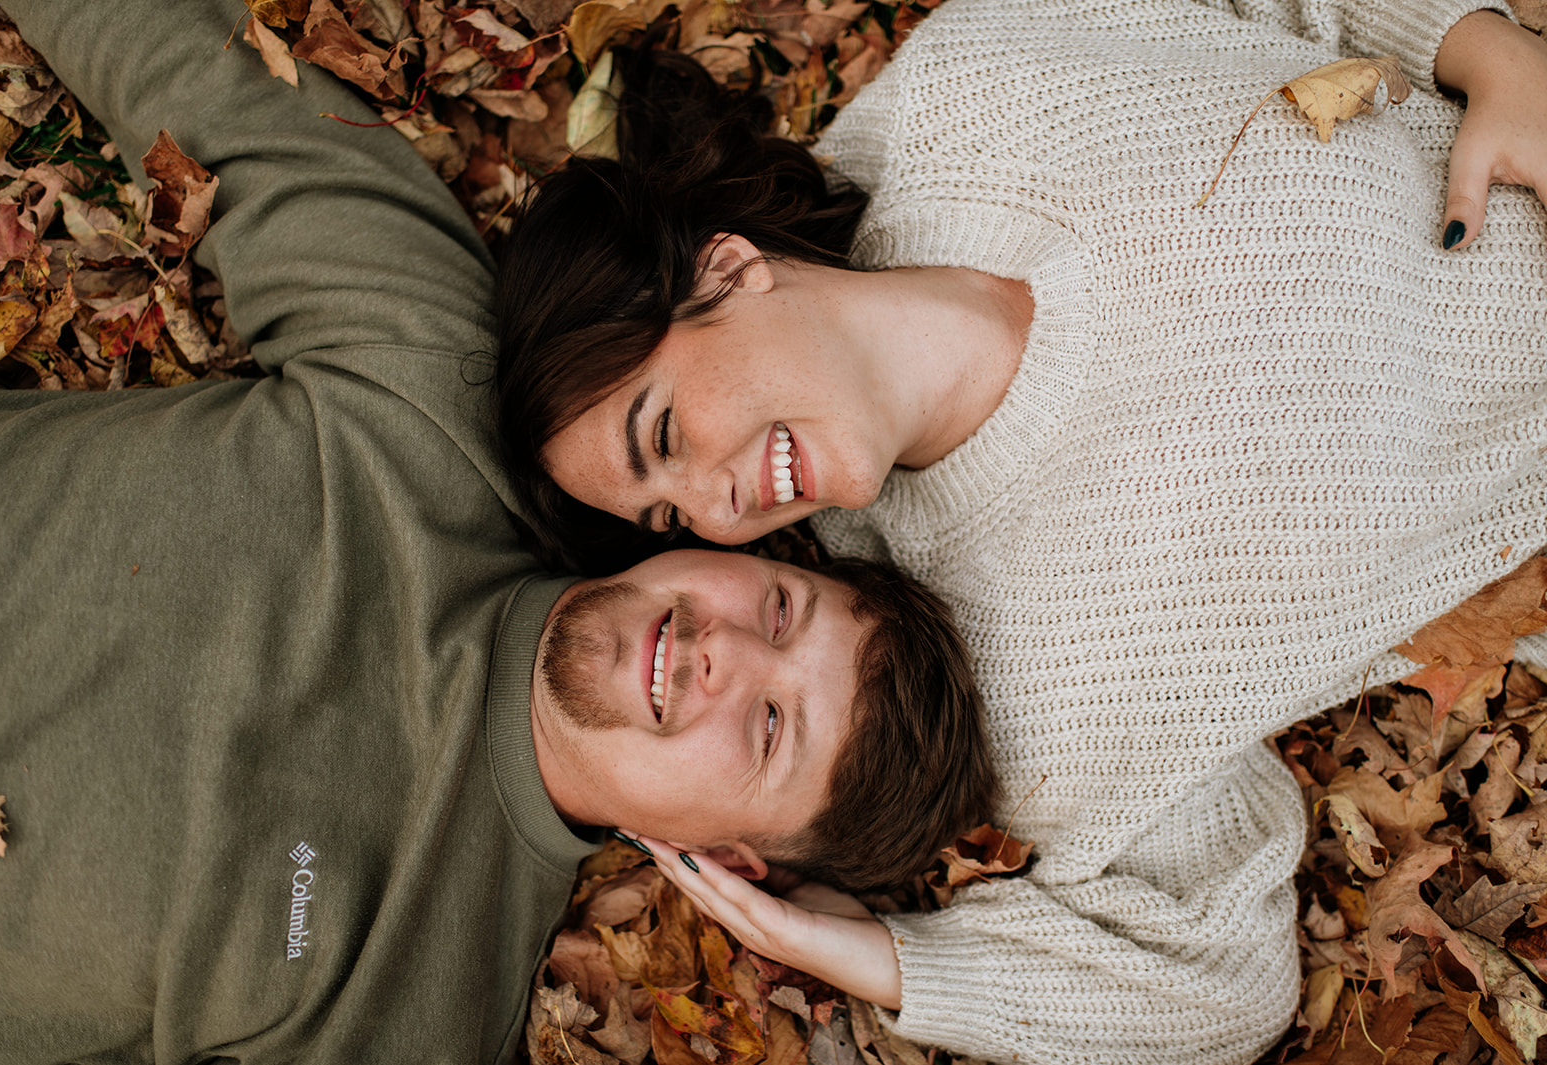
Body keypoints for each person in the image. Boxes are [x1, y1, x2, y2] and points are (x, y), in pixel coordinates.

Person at [492, 1, 1547, 1062]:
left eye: (665, 432)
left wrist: (1480, 47)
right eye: (670, 515)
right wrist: (891, 963)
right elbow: (1220, 987)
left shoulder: (967, 88)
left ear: (725, 268)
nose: (720, 509)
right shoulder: (1031, 681)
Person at [0, 0, 997, 1062]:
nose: (728, 652)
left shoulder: (412, 1013)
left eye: (771, 727)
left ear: (729, 861)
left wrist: (917, 974)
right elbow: (195, 83)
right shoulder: (427, 405)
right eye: (778, 609)